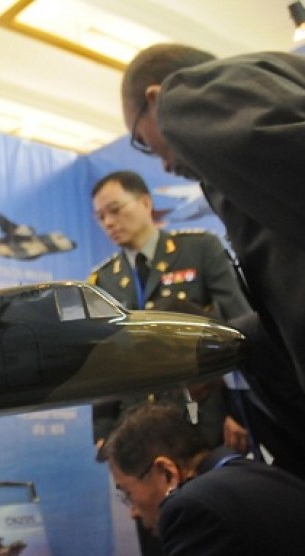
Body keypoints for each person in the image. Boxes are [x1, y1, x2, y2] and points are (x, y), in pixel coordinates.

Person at [119, 43, 305, 396]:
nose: (163, 164)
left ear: (155, 98)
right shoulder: (274, 75)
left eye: (143, 141)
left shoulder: (185, 96)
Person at [88, 169, 252, 555]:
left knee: (211, 527)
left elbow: (241, 328)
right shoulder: (102, 281)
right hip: (136, 434)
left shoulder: (199, 250)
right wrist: (104, 428)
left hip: (201, 425)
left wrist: (240, 409)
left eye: (115, 210)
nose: (109, 222)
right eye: (101, 217)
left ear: (145, 203)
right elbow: (100, 362)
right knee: (155, 532)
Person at [101, 402, 305, 555]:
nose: (133, 512)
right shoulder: (245, 475)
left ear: (166, 472)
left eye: (128, 494)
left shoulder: (192, 509)